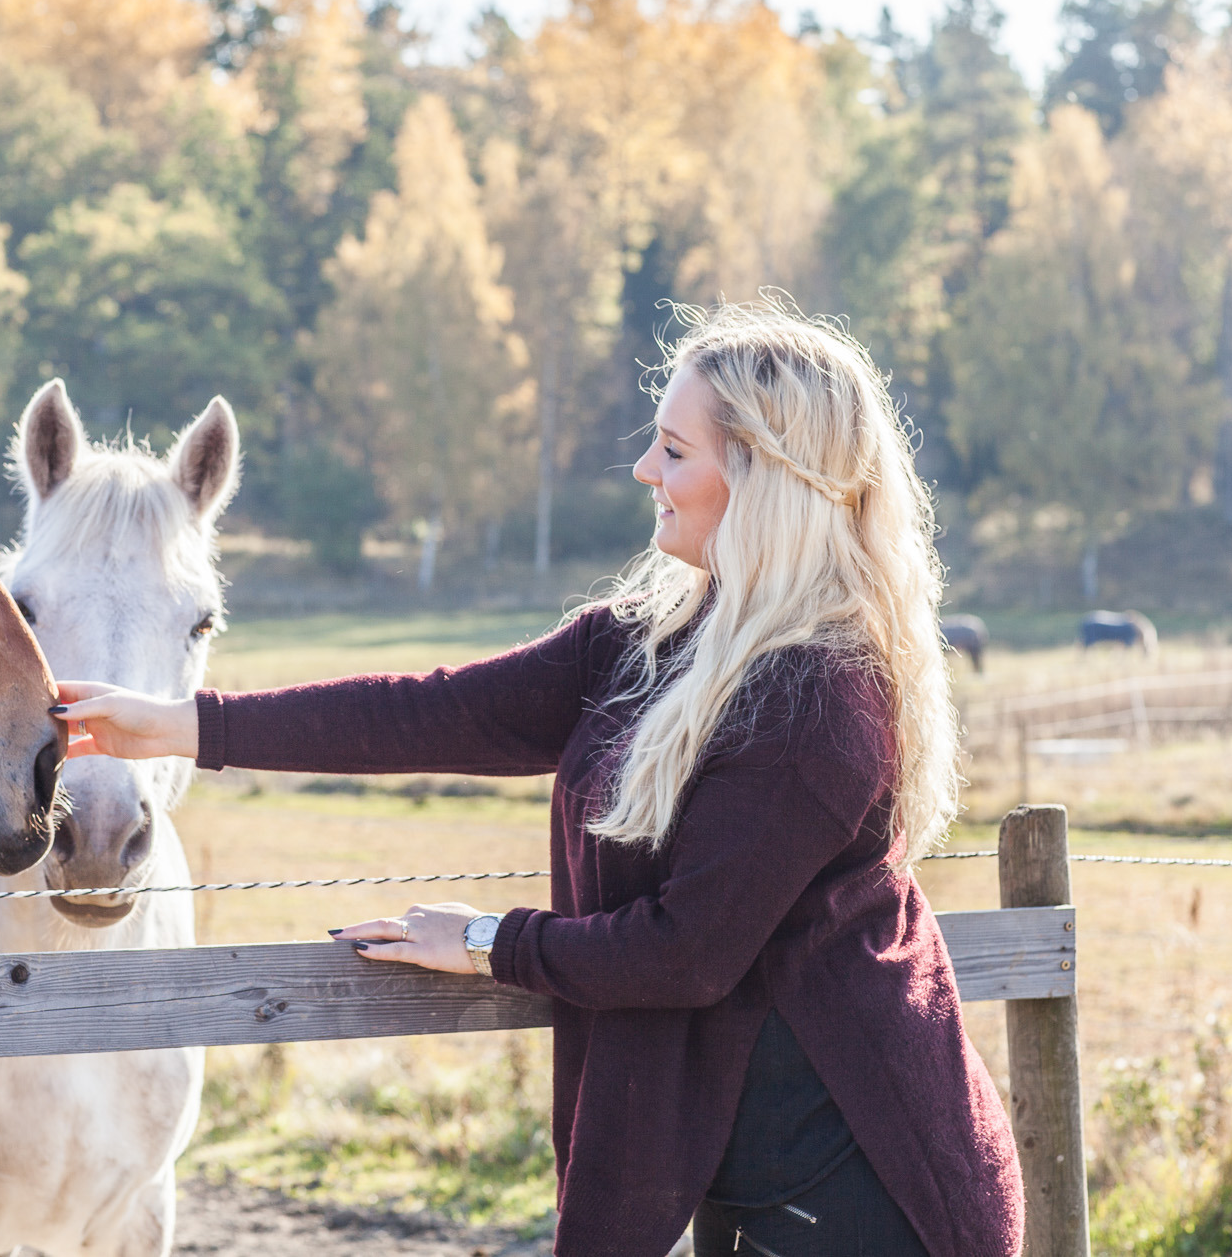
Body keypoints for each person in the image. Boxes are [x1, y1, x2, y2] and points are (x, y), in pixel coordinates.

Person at [53, 297, 1023, 1257]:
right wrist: (175, 726)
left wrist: (485, 940)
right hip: (753, 1161)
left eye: (674, 451)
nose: (645, 470)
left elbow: (683, 954)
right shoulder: (650, 643)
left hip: (863, 1180)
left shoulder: (818, 699)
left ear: (765, 477)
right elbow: (432, 709)